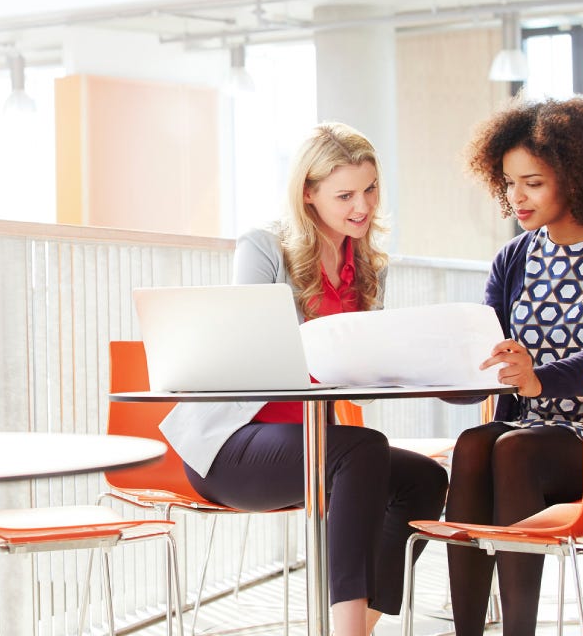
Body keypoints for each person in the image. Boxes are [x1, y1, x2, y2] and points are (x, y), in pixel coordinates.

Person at [159, 123, 449, 636]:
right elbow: (244, 345)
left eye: (371, 189)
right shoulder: (264, 247)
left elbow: (365, 365)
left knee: (425, 479)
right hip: (230, 446)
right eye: (345, 195)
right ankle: (347, 631)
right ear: (309, 194)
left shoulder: (369, 267)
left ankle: (363, 621)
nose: (362, 206)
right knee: (361, 450)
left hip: (314, 443)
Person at [446, 96, 583, 636]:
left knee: (514, 448)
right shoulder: (514, 258)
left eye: (533, 182)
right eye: (508, 182)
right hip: (531, 431)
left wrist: (536, 376)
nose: (515, 196)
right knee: (475, 443)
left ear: (577, 177)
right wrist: (446, 370)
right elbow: (488, 355)